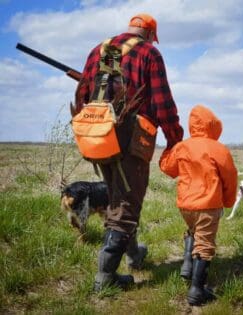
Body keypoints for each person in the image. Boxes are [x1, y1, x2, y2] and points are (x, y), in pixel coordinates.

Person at [74, 13, 184, 291]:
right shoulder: (149, 53)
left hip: (98, 138)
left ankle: (134, 254)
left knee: (118, 197)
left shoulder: (101, 50)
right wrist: (175, 138)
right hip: (131, 139)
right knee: (126, 204)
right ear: (149, 34)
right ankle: (105, 279)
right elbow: (162, 102)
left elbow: (88, 94)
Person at [159, 104, 237, 306]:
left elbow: (168, 168)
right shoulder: (219, 149)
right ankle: (197, 291)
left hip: (186, 206)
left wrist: (169, 148)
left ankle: (187, 267)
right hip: (208, 205)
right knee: (205, 244)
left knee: (193, 231)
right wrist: (227, 201)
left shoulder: (183, 146)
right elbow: (230, 177)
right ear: (213, 126)